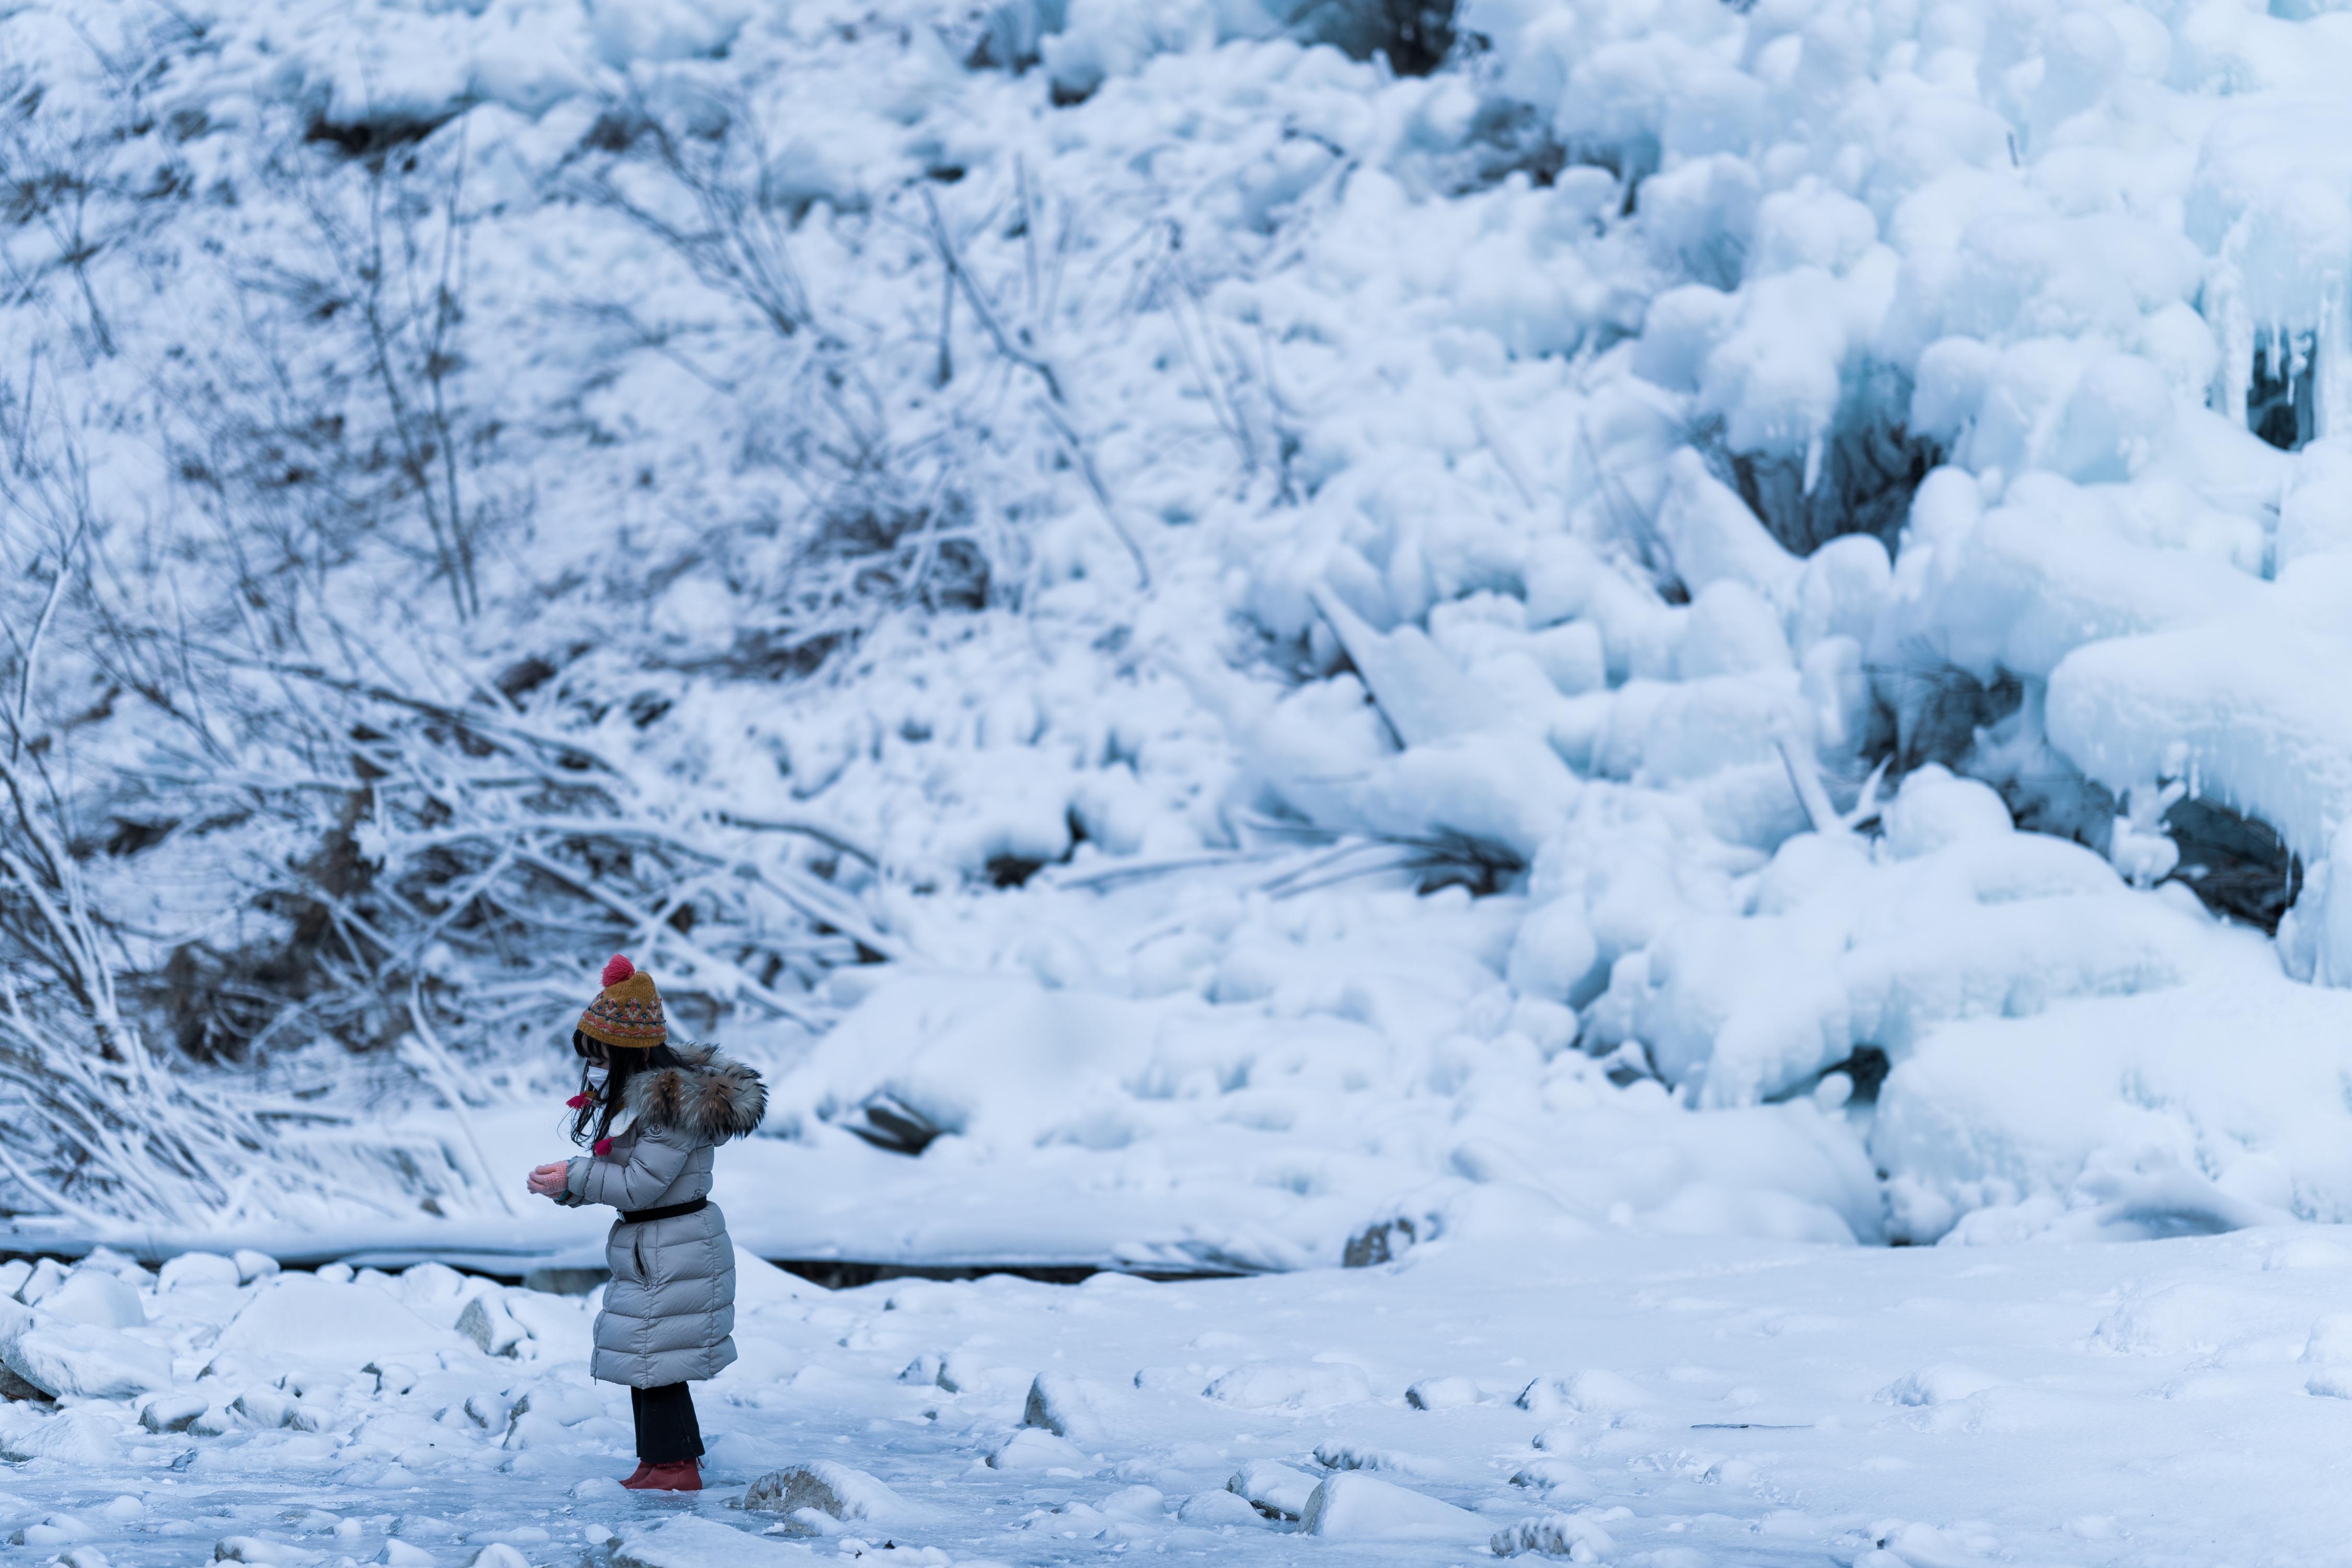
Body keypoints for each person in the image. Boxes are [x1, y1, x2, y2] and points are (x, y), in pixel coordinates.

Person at [526, 955, 765, 1492]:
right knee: (645, 1357)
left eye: (599, 1057)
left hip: (676, 1245)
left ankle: (676, 1466)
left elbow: (640, 1185)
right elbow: (624, 1178)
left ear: (629, 1054)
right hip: (657, 1244)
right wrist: (566, 1185)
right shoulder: (647, 1100)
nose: (593, 1069)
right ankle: (657, 1460)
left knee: (657, 1361)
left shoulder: (671, 1108)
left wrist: (577, 1174)